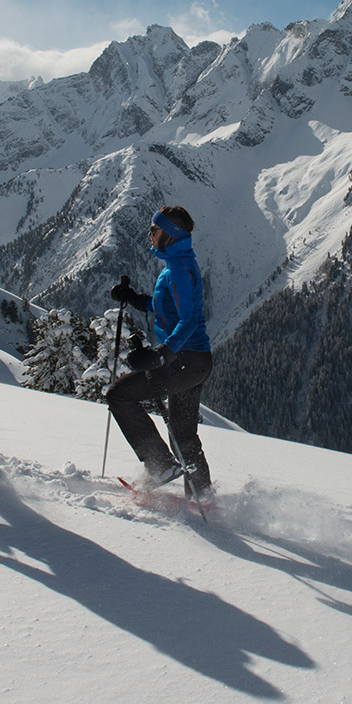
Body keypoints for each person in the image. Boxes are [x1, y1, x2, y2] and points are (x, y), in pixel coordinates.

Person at [107, 205, 214, 494]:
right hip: (196, 361)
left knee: (119, 395)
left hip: (183, 360)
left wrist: (161, 354)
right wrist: (133, 299)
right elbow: (166, 307)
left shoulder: (178, 268)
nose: (149, 234)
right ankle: (201, 494)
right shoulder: (178, 263)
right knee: (183, 434)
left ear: (170, 233)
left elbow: (189, 319)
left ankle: (161, 465)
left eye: (154, 229)